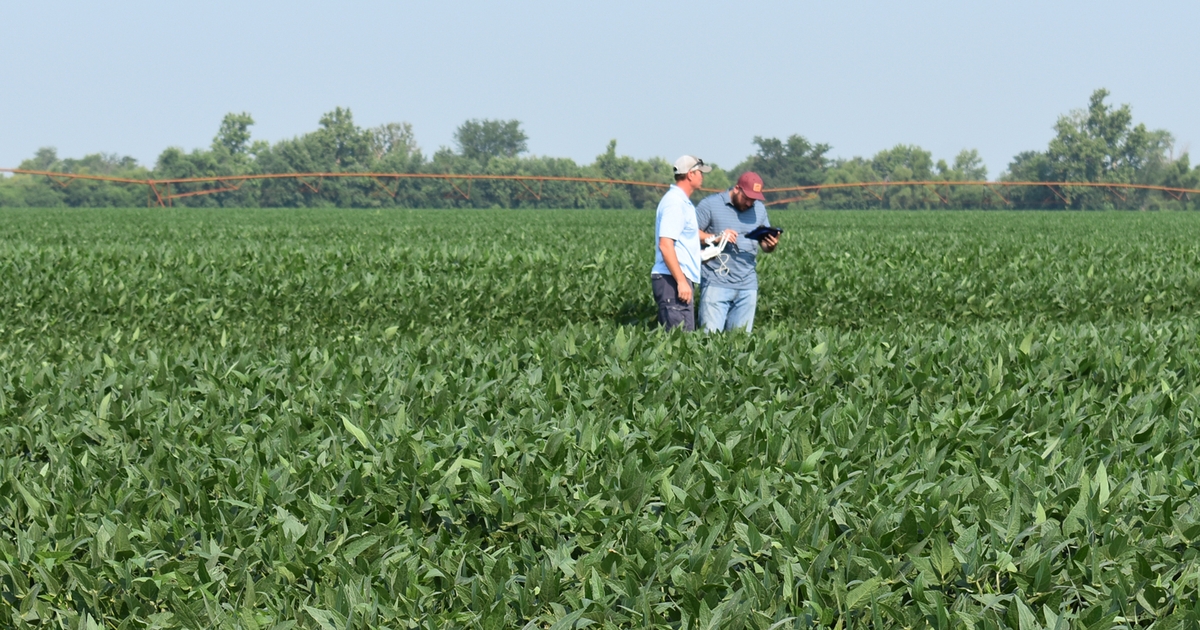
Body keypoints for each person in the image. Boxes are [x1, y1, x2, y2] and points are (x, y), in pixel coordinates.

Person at [695, 171, 779, 332]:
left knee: (740, 345)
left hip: (747, 285)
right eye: (746, 198)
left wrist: (771, 244)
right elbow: (690, 235)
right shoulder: (710, 205)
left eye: (753, 199)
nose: (749, 203)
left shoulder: (759, 210)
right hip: (716, 282)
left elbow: (765, 246)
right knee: (709, 340)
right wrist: (717, 237)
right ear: (737, 188)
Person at [650, 155, 712, 331]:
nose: (702, 177)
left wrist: (714, 239)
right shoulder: (675, 203)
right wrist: (681, 281)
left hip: (676, 279)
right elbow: (665, 245)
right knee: (679, 345)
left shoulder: (682, 202)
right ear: (690, 174)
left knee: (685, 341)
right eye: (700, 172)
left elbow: (688, 236)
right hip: (672, 280)